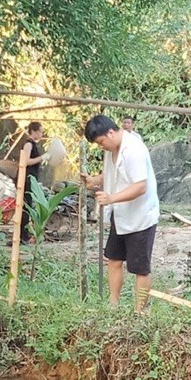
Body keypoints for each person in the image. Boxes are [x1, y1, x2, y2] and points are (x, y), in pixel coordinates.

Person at [82, 115, 159, 311]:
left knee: (139, 267)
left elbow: (140, 186)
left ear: (110, 132)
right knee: (114, 259)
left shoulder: (134, 149)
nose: (102, 147)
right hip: (121, 214)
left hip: (141, 216)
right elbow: (114, 173)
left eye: (101, 142)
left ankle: (140, 311)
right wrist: (95, 181)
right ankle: (113, 306)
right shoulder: (112, 149)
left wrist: (111, 198)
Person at [19, 121, 48, 245]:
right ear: (34, 131)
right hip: (26, 179)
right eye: (41, 131)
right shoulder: (28, 144)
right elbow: (25, 161)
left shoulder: (33, 144)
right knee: (25, 207)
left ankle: (24, 234)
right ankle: (23, 236)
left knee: (28, 206)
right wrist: (42, 158)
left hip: (31, 178)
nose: (42, 134)